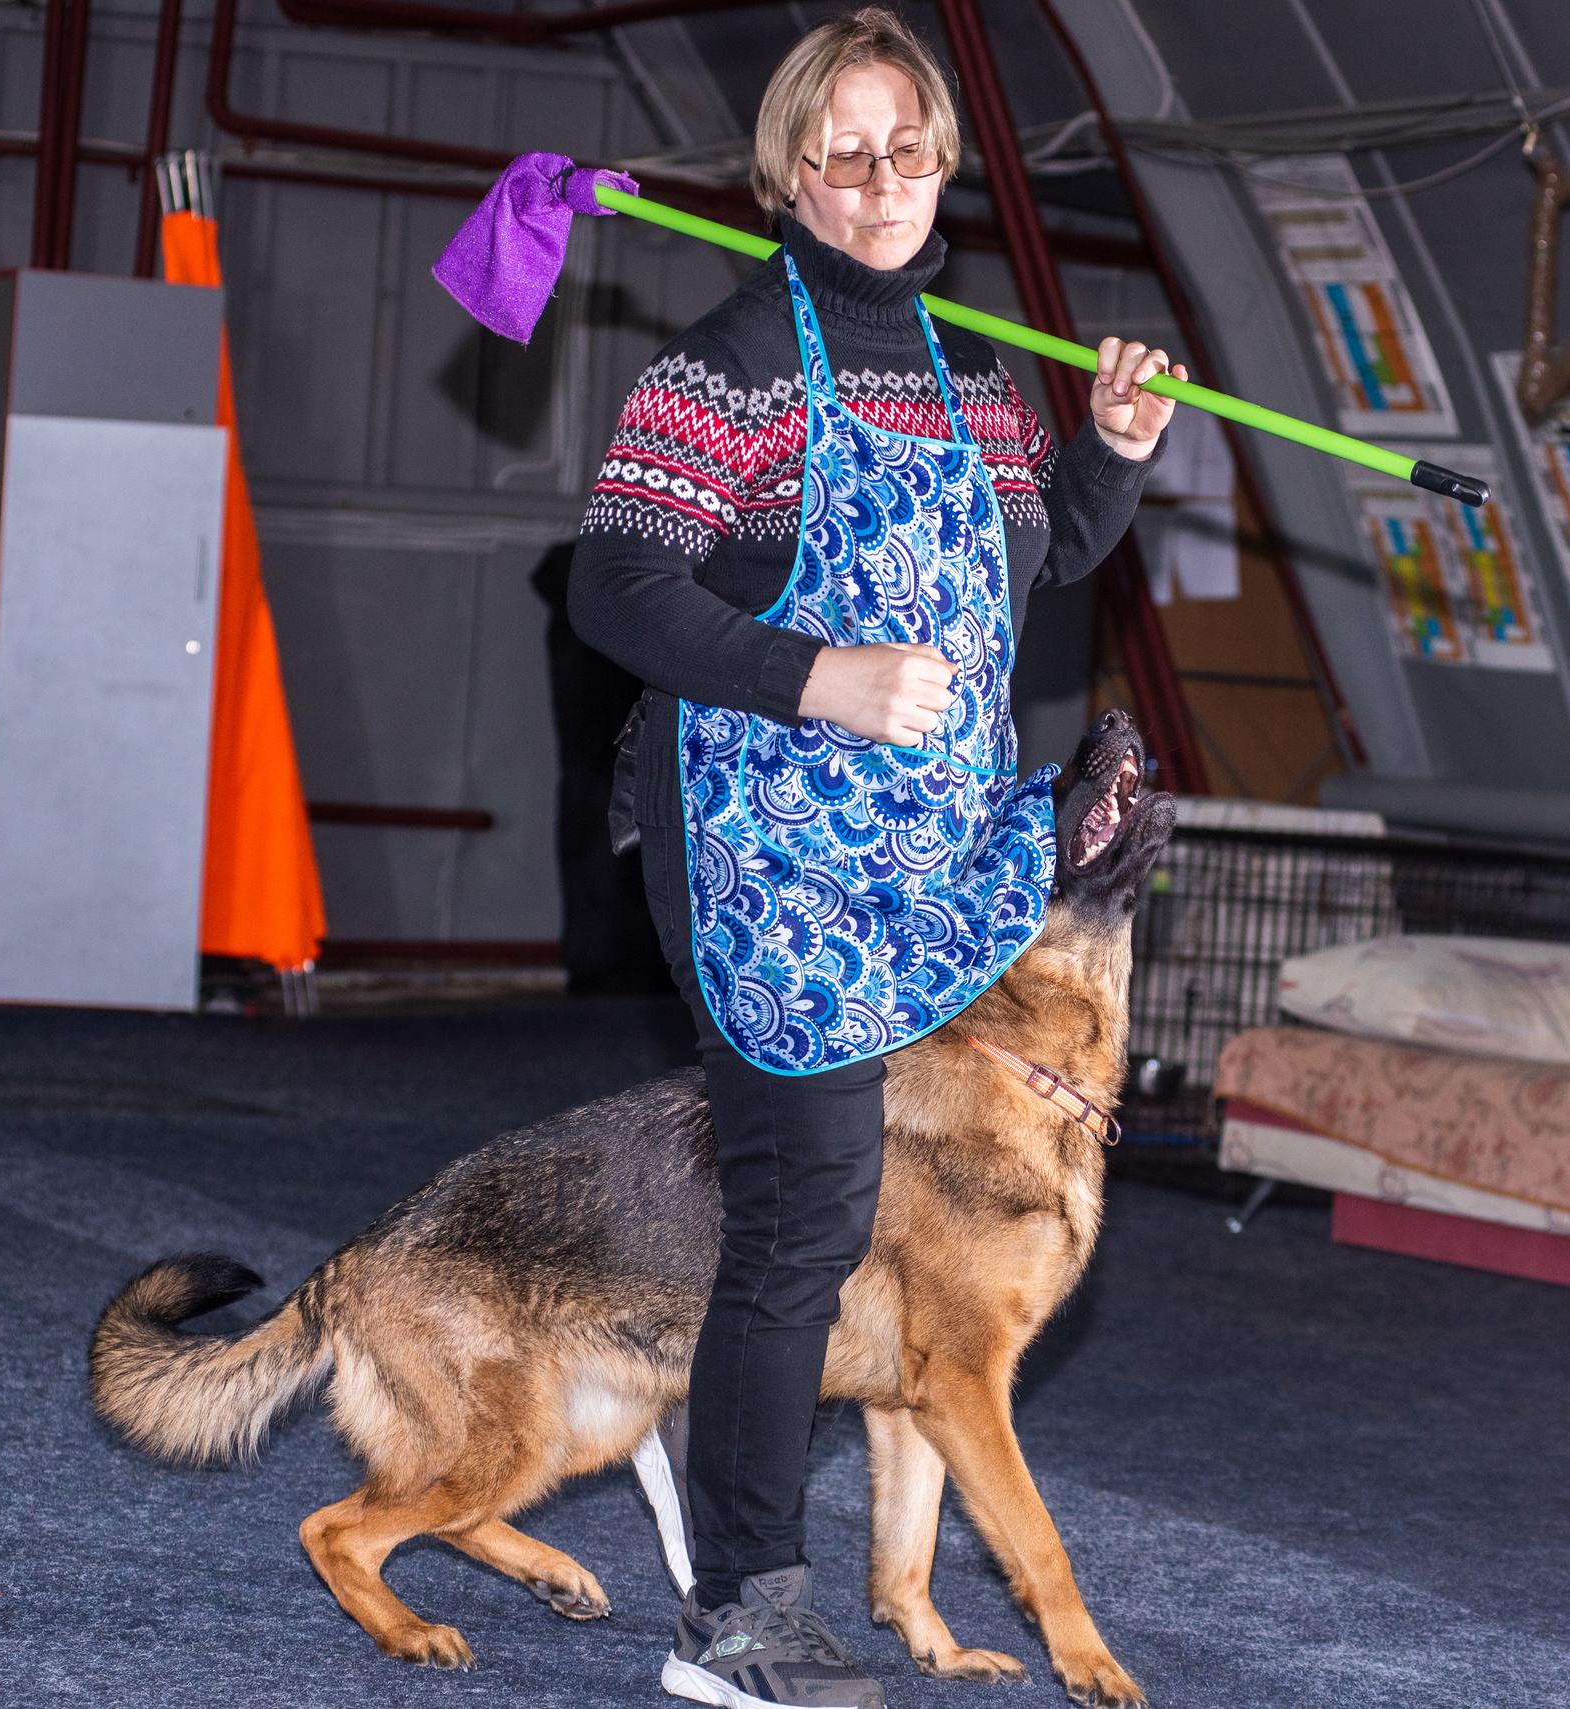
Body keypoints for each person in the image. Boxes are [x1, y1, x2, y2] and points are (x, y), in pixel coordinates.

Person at [568, 12, 1178, 1706]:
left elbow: (1035, 551)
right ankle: (739, 1607)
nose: (880, 181)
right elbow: (616, 582)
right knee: (808, 1217)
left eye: (907, 147)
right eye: (842, 151)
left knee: (822, 1218)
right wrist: (812, 672)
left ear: (943, 165)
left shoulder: (974, 370)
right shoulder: (733, 364)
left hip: (924, 859)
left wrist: (1107, 461)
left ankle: (746, 1545)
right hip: (758, 856)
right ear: (785, 173)